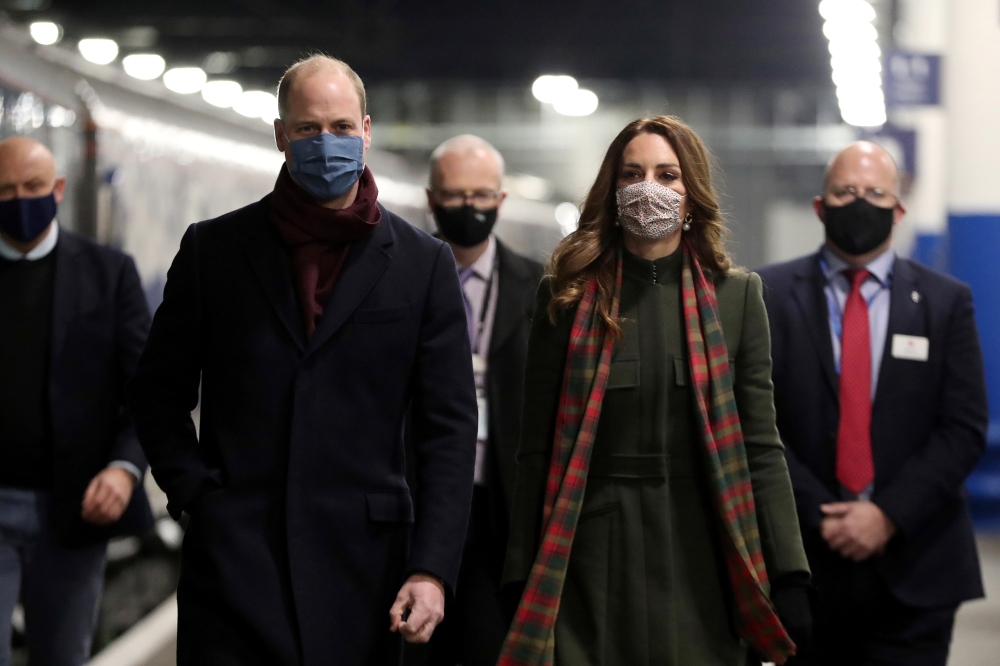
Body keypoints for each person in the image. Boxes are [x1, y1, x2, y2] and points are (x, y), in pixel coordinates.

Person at [127, 55, 478, 665]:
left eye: (342, 127)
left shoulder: (423, 265)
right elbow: (158, 393)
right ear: (281, 135)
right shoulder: (215, 250)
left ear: (367, 130)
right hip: (235, 566)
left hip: (366, 572)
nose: (327, 143)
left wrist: (432, 568)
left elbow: (447, 430)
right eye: (309, 128)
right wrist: (200, 498)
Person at [500, 116, 810, 666]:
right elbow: (536, 450)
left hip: (706, 555)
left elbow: (761, 446)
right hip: (590, 559)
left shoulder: (735, 297)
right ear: (612, 190)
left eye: (667, 175)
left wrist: (788, 572)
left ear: (691, 196)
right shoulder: (567, 298)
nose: (649, 188)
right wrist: (521, 568)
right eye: (633, 174)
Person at [757, 141, 987, 666]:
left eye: (875, 193)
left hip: (917, 570)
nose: (860, 202)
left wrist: (886, 515)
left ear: (898, 208)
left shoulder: (946, 302)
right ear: (820, 206)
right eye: (845, 191)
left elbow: (964, 427)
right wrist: (824, 515)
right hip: (803, 567)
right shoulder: (765, 294)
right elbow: (756, 426)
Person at [0, 137, 154, 666]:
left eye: (33, 187)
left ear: (59, 189)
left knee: (63, 656)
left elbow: (148, 390)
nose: (20, 200)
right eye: (5, 191)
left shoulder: (109, 274)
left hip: (75, 507)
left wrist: (124, 467)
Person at [420, 135, 543, 665]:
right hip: (419, 499)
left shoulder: (540, 287)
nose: (469, 207)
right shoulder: (401, 275)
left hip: (501, 509)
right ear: (431, 199)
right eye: (454, 196)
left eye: (481, 195)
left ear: (501, 200)